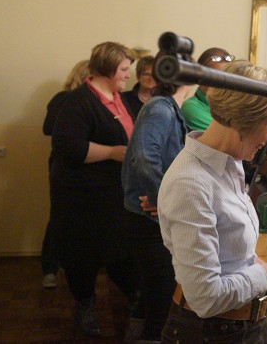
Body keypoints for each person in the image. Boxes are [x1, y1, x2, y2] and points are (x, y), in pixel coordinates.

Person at [157, 61, 267, 343]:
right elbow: (205, 298)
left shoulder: (229, 163)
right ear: (242, 121)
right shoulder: (190, 184)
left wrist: (252, 262)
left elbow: (228, 248)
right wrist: (261, 275)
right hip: (211, 332)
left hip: (238, 327)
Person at [51, 42, 140, 336]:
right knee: (83, 257)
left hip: (114, 193)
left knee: (120, 250)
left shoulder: (119, 99)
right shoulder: (78, 102)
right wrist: (113, 152)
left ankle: (136, 300)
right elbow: (67, 147)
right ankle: (85, 306)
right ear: (108, 68)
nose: (128, 74)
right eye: (124, 69)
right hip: (84, 197)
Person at [121, 56, 191, 343]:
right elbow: (144, 159)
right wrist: (164, 199)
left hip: (149, 216)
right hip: (147, 219)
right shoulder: (160, 108)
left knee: (151, 292)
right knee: (161, 296)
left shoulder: (166, 107)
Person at [40, 58, 90, 289]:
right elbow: (48, 128)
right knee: (59, 215)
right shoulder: (63, 98)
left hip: (90, 167)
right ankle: (50, 267)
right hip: (64, 166)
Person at [180, 47, 234, 131]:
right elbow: (232, 136)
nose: (224, 82)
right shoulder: (190, 109)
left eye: (228, 76)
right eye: (218, 76)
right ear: (200, 78)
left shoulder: (232, 104)